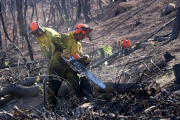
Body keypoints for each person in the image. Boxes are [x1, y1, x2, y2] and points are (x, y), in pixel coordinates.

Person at [29, 21, 93, 111]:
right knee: (53, 88)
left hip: (68, 67)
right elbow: (55, 39)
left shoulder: (78, 45)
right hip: (57, 65)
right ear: (78, 32)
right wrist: (63, 50)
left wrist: (85, 58)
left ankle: (74, 106)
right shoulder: (66, 36)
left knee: (75, 79)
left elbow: (79, 55)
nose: (83, 38)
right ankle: (49, 110)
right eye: (83, 35)